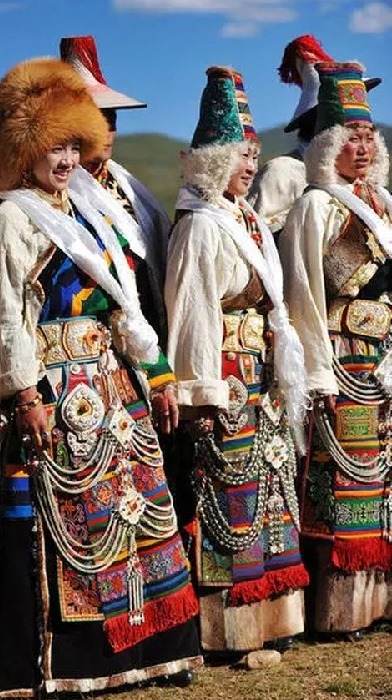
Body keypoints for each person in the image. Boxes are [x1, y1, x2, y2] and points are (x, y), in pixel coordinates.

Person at [0, 56, 201, 697]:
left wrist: (155, 375)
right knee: (69, 524)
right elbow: (7, 319)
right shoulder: (10, 218)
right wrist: (25, 395)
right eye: (55, 145)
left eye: (76, 143)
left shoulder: (88, 212)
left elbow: (126, 302)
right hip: (54, 391)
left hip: (111, 382)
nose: (68, 157)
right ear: (25, 148)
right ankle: (75, 662)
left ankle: (152, 647)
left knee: (137, 516)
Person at [165, 66, 309, 654]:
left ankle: (274, 615)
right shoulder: (201, 226)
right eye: (237, 155)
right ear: (210, 162)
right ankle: (229, 627)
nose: (249, 166)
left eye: (253, 154)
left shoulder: (245, 217)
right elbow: (192, 310)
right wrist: (200, 390)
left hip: (260, 372)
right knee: (229, 494)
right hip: (224, 372)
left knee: (270, 486)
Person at [279, 61, 392, 638]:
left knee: (384, 483)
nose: (362, 147)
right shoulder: (314, 207)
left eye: (369, 136)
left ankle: (382, 600)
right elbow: (304, 296)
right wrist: (317, 375)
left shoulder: (385, 202)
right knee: (344, 486)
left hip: (386, 354)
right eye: (350, 137)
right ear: (327, 145)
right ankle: (341, 608)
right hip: (343, 355)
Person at [60, 35, 170, 344]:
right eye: (96, 121)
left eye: (112, 121)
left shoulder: (133, 191)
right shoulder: (51, 198)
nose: (108, 132)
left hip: (149, 332)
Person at [248, 35, 381, 242]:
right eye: (352, 135)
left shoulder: (362, 184)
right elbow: (259, 243)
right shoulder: (282, 172)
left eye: (368, 136)